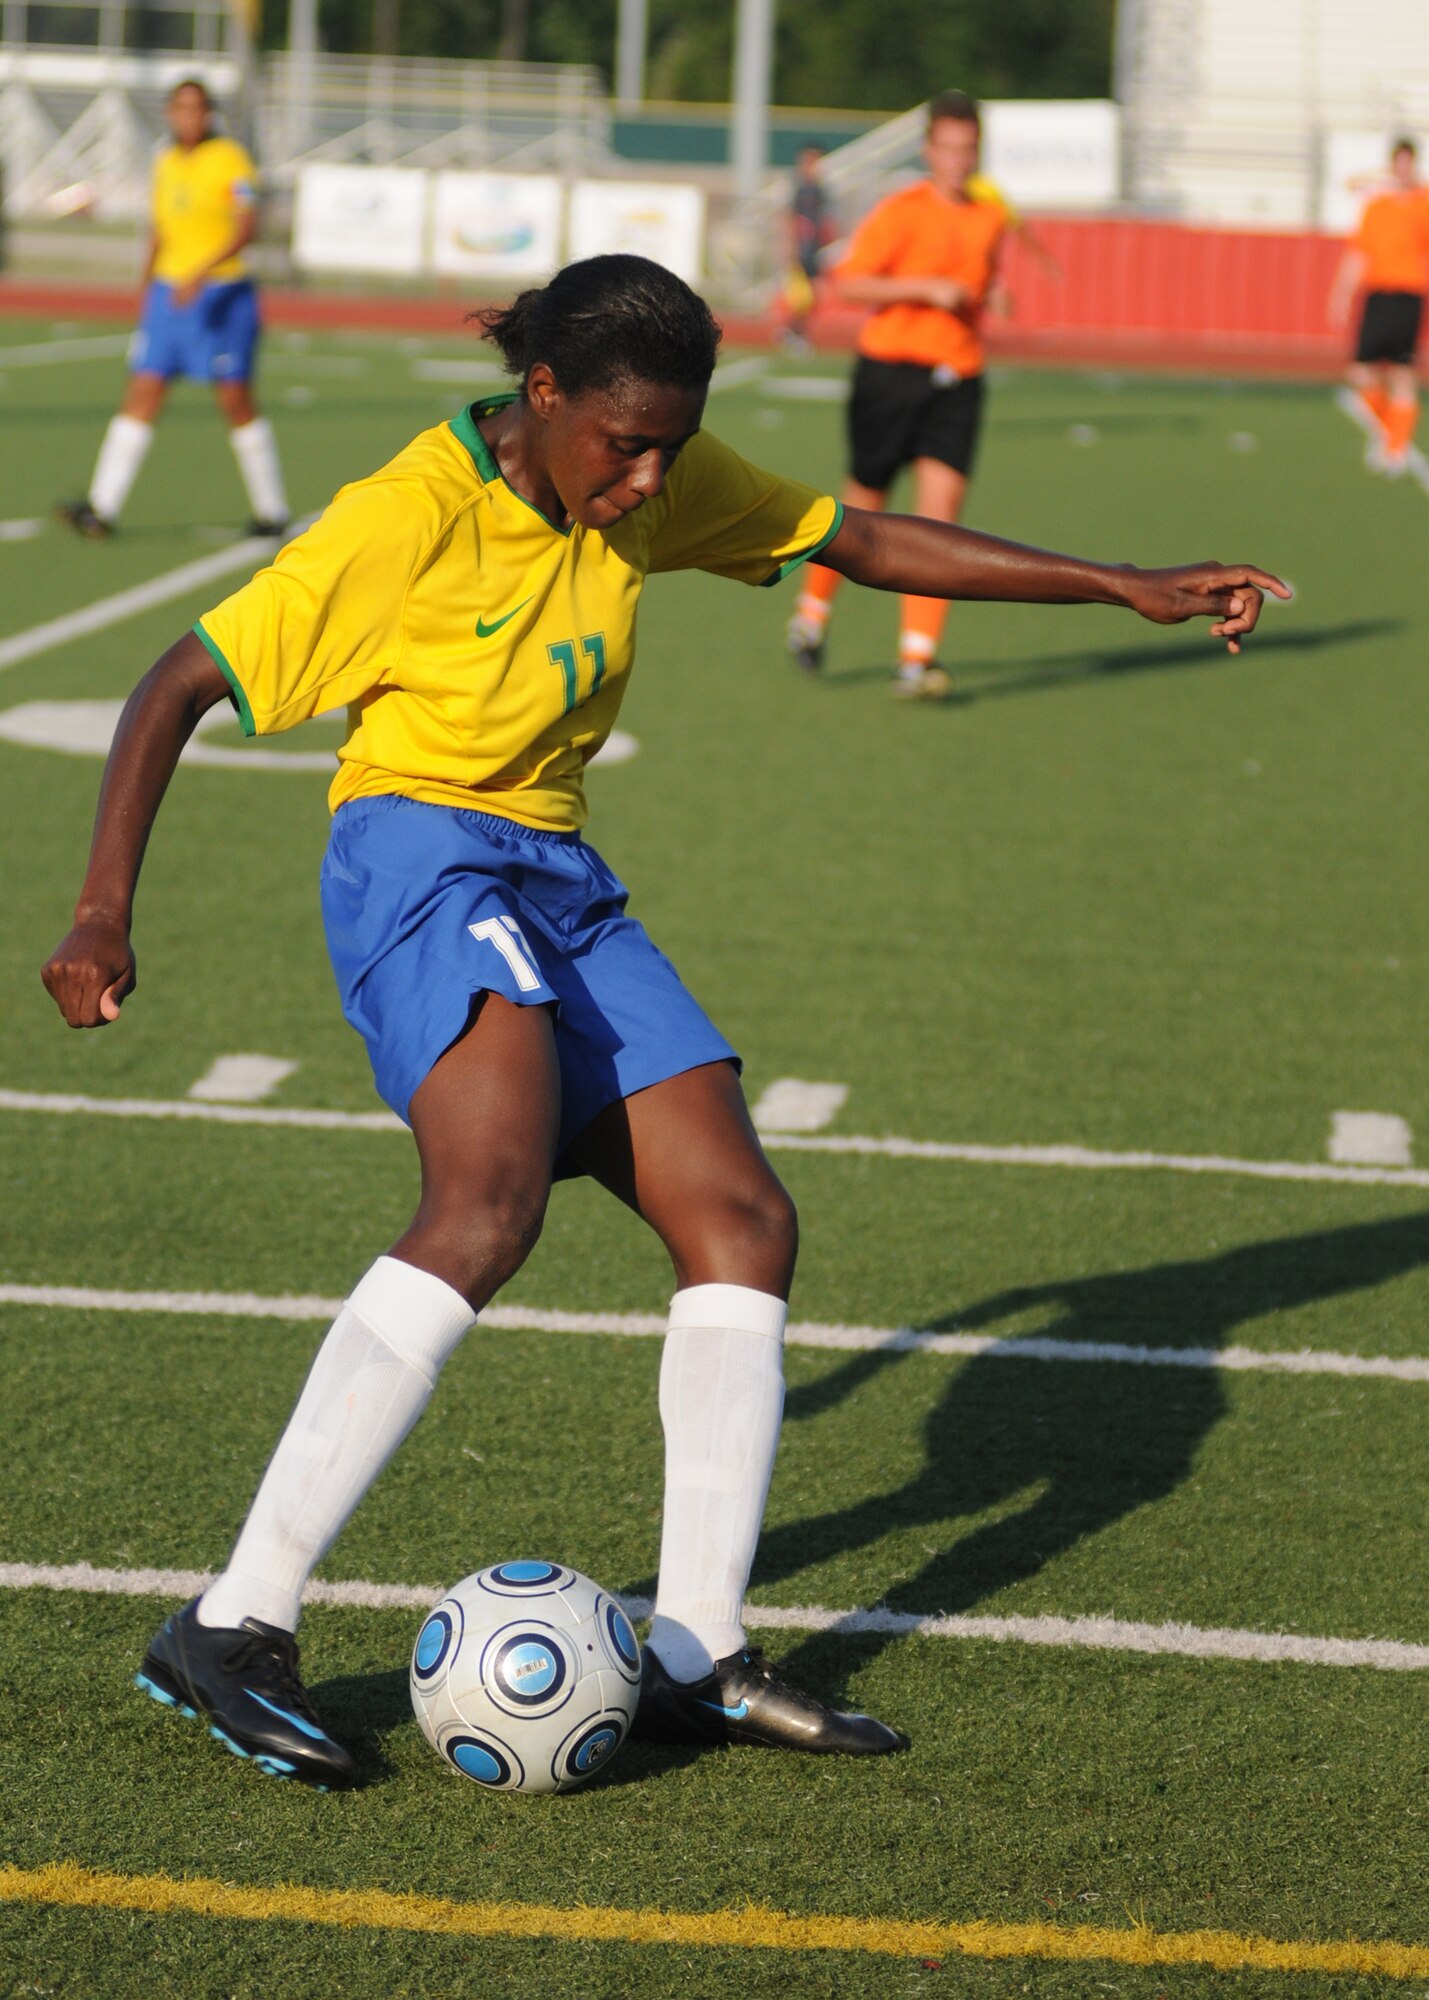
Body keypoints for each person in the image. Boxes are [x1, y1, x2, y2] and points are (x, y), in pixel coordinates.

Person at [41, 254, 1288, 1790]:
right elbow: (177, 682)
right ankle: (231, 1623)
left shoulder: (649, 476)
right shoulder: (405, 518)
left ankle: (694, 1649)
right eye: (621, 444)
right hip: (420, 854)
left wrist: (1119, 583)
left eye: (670, 449)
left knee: (742, 1218)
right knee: (486, 1204)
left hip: (557, 867)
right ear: (542, 394)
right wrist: (104, 908)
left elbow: (860, 532)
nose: (648, 480)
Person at [785, 89, 1009, 699]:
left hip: (958, 377)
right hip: (890, 374)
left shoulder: (990, 218)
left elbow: (982, 285)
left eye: (969, 149)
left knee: (940, 522)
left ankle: (916, 657)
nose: (959, 160)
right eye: (949, 148)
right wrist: (923, 289)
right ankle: (811, 617)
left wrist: (993, 298)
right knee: (865, 506)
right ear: (929, 149)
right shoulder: (902, 210)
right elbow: (850, 283)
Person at [57, 77, 289, 541]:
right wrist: (147, 285)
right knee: (143, 391)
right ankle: (101, 510)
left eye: (198, 108)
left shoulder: (230, 161)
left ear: (209, 114)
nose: (189, 116)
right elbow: (160, 229)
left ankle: (272, 510)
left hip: (221, 295)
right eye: (180, 108)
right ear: (169, 113)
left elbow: (247, 227)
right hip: (169, 298)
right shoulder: (165, 162)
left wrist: (202, 273)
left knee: (234, 399)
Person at [1328, 137, 1429, 475]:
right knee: (1360, 371)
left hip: (1408, 294)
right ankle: (1389, 431)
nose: (1403, 170)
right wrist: (1341, 293)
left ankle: (1396, 447)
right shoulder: (1376, 206)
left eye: (1407, 163)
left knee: (1402, 372)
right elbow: (1358, 253)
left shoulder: (1422, 204)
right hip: (1378, 295)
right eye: (1397, 163)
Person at [778, 146, 833, 353]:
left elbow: (824, 221)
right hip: (801, 250)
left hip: (814, 250)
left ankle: (797, 333)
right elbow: (788, 219)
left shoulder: (820, 188)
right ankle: (793, 332)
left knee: (813, 296)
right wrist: (789, 247)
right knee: (802, 297)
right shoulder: (798, 188)